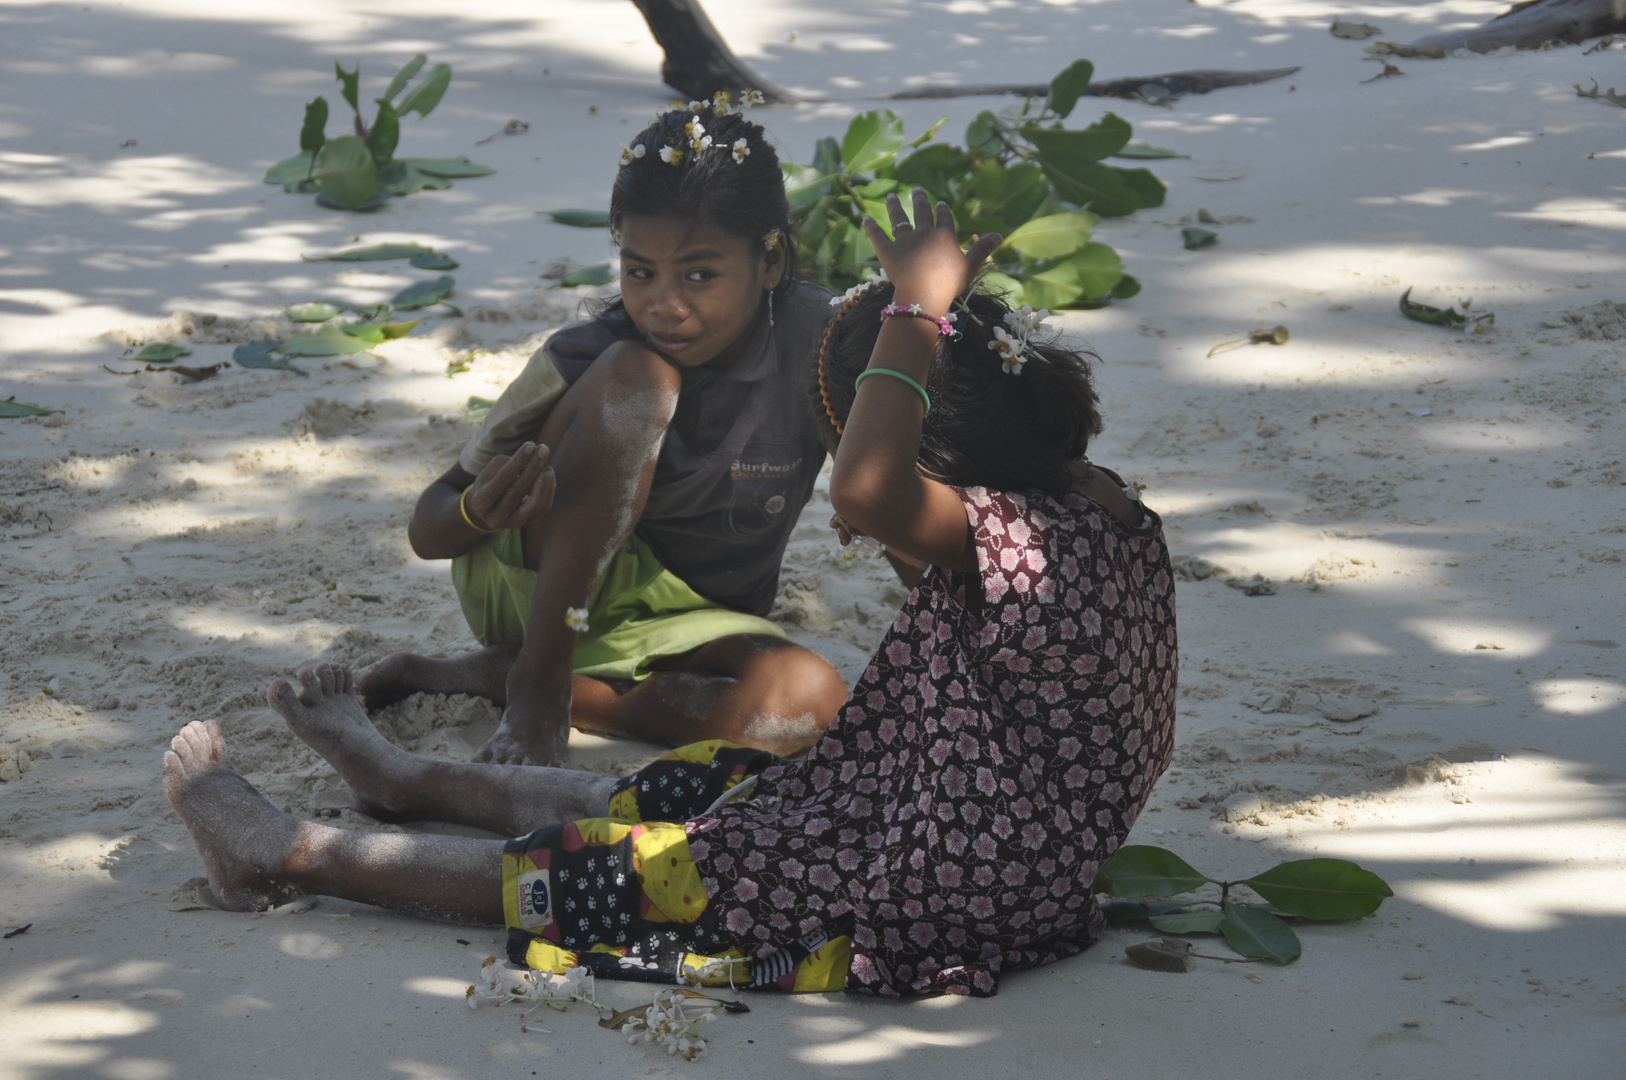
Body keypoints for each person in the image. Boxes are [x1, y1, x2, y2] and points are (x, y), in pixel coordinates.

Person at [163, 188, 1178, 997]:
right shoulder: (1094, 510)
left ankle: (293, 855)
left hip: (939, 878)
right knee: (694, 795)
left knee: (627, 872)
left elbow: (874, 486)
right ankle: (401, 780)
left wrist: (917, 310)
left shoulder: (1014, 536)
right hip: (956, 828)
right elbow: (923, 537)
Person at [356, 102, 849, 766]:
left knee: (812, 708)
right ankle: (536, 681)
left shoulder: (820, 344)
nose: (663, 304)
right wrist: (481, 508)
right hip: (549, 593)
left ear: (770, 260)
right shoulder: (592, 356)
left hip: (698, 620)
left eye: (699, 275)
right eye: (639, 271)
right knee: (642, 382)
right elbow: (428, 527)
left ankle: (510, 680)